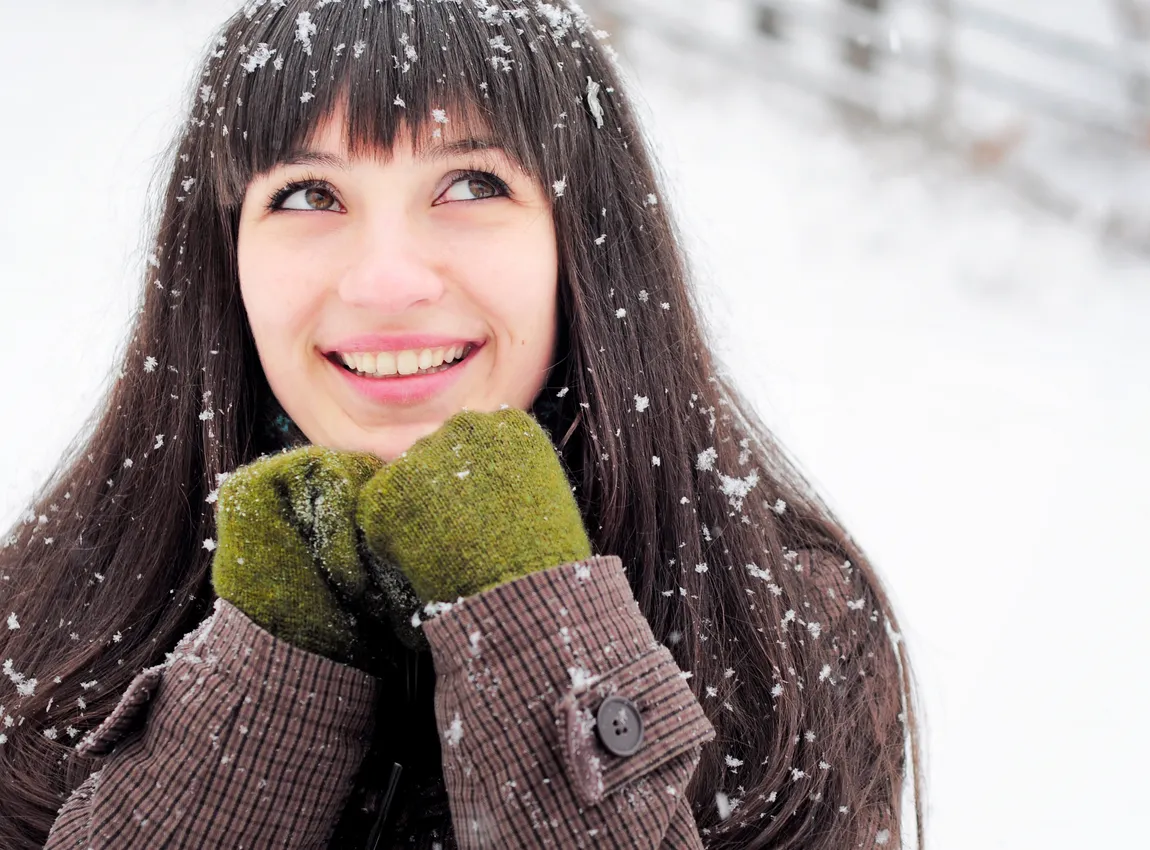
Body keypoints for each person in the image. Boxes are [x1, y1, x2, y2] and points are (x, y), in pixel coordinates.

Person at [0, 1, 926, 847]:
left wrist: (538, 635)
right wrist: (259, 692)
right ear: (220, 259)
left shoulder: (792, 635)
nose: (387, 282)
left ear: (585, 238)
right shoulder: (43, 624)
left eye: (472, 184)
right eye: (310, 196)